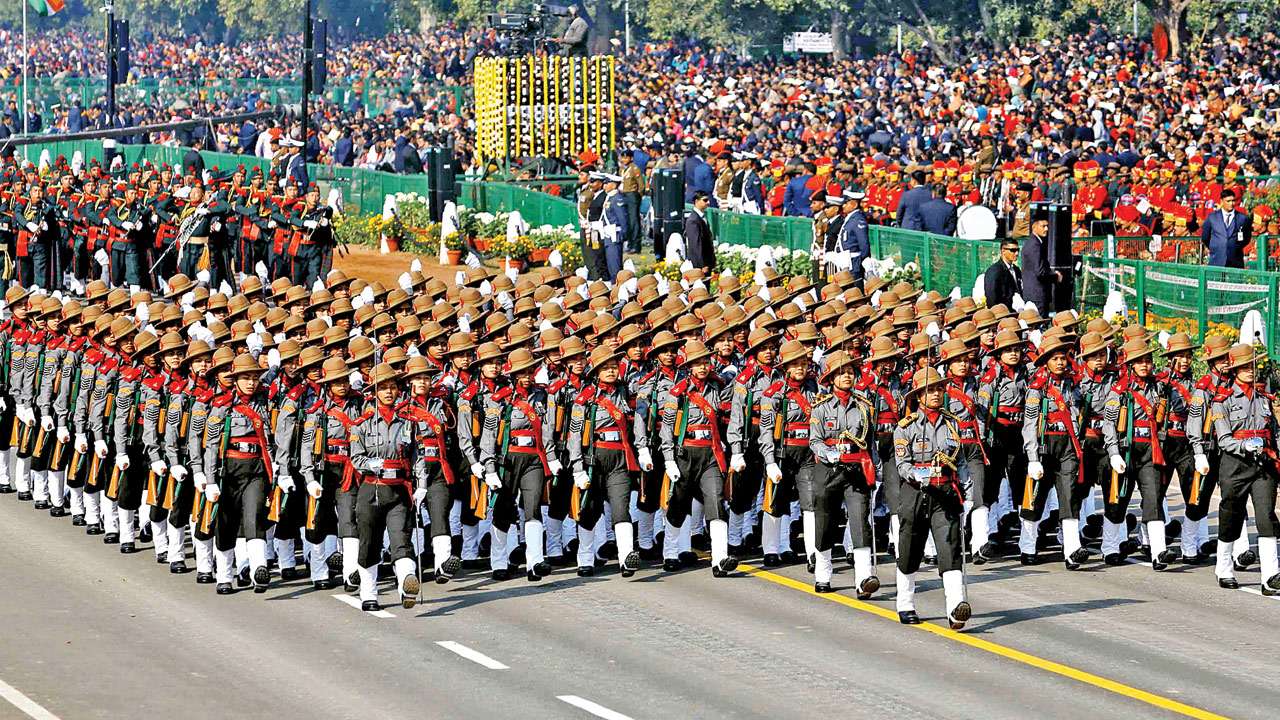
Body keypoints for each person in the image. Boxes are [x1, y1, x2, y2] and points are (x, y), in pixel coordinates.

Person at [893, 367, 970, 629]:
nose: (935, 394)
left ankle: (955, 606)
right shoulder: (906, 427)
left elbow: (960, 460)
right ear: (918, 396)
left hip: (944, 493)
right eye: (929, 390)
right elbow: (901, 463)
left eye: (938, 389)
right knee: (910, 548)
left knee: (949, 547)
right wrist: (915, 475)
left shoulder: (952, 423)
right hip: (915, 493)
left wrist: (967, 490)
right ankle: (905, 602)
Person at [349, 363, 423, 611]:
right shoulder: (362, 424)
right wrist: (371, 463)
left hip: (398, 489)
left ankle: (406, 584)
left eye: (393, 387)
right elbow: (355, 458)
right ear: (374, 393)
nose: (389, 392)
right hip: (372, 488)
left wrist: (421, 485)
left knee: (401, 538)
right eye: (384, 388)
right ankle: (369, 594)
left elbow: (417, 456)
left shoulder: (408, 423)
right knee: (369, 542)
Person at [1209, 344, 1279, 593]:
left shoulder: (1264, 399)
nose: (1249, 370)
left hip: (1263, 465)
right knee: (1231, 515)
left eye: (1251, 366)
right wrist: (1246, 446)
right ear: (1233, 370)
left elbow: (1274, 432)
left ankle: (1270, 576)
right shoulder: (1222, 402)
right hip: (1235, 464)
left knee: (1266, 516)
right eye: (1243, 367)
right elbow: (1224, 439)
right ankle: (1224, 567)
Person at [1200, 188, 1252, 268]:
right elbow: (1205, 237)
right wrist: (1216, 247)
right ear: (1221, 201)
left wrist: (1235, 246)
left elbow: (1247, 238)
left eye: (1233, 201)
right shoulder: (1212, 217)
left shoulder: (1242, 218)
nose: (1231, 203)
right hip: (1216, 260)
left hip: (1235, 261)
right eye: (1228, 201)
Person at [1019, 208, 1056, 314]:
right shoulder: (1035, 245)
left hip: (1033, 294)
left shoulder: (1033, 243)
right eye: (1043, 226)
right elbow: (1040, 272)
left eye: (1047, 226)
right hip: (1037, 296)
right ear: (1034, 227)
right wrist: (1055, 276)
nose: (1046, 229)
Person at [983, 240, 1022, 309]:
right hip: (1002, 313)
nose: (1017, 253)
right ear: (1003, 251)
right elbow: (991, 298)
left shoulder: (1016, 270)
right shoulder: (995, 271)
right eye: (1013, 250)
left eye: (1018, 250)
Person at [683, 191, 714, 271]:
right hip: (700, 266)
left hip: (707, 263)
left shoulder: (701, 217)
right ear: (696, 201)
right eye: (705, 200)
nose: (708, 202)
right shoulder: (693, 220)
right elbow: (695, 244)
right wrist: (701, 265)